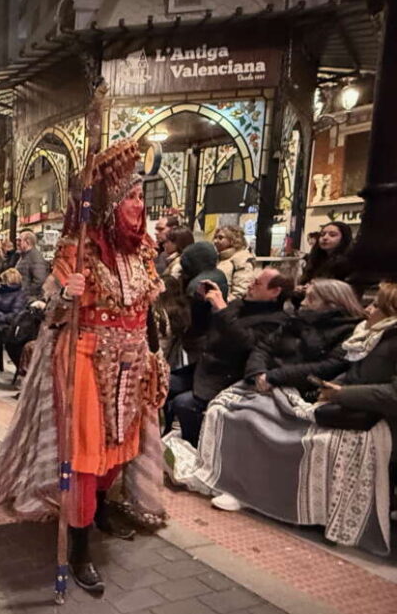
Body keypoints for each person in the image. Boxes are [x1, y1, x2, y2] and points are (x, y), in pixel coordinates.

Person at [0, 142, 168, 593]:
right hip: (85, 360)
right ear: (110, 205)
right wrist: (65, 294)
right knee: (85, 455)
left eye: (141, 197)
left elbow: (147, 311)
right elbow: (52, 312)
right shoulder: (77, 250)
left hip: (132, 363)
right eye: (131, 198)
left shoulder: (143, 252)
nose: (139, 206)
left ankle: (101, 510)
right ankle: (78, 544)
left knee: (120, 446)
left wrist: (154, 354)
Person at [179, 284, 394, 555]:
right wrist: (259, 374)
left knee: (268, 427)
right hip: (280, 385)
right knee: (227, 411)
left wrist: (283, 379)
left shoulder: (353, 332)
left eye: (311, 298)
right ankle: (237, 485)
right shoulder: (304, 322)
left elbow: (332, 367)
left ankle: (276, 499)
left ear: (330, 304)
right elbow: (262, 347)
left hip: (314, 394)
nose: (369, 309)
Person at [168, 268, 292, 445]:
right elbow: (205, 328)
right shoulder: (239, 305)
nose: (250, 285)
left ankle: (198, 447)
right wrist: (202, 302)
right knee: (162, 384)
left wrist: (221, 308)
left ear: (274, 291)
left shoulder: (278, 321)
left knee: (183, 403)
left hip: (229, 378)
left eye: (257, 283)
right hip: (205, 368)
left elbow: (246, 344)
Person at [298, 221, 353, 289]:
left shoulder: (349, 263)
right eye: (322, 234)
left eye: (332, 235)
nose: (325, 238)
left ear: (344, 239)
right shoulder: (315, 260)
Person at [213, 224, 256, 300]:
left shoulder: (242, 259)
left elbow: (241, 290)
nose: (215, 241)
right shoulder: (218, 258)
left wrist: (223, 304)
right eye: (215, 237)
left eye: (220, 238)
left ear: (233, 239)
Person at [15, 230, 48, 299]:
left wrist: (25, 292)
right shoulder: (24, 255)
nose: (17, 243)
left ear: (28, 242)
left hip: (27, 298)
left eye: (20, 240)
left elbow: (39, 280)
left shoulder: (35, 257)